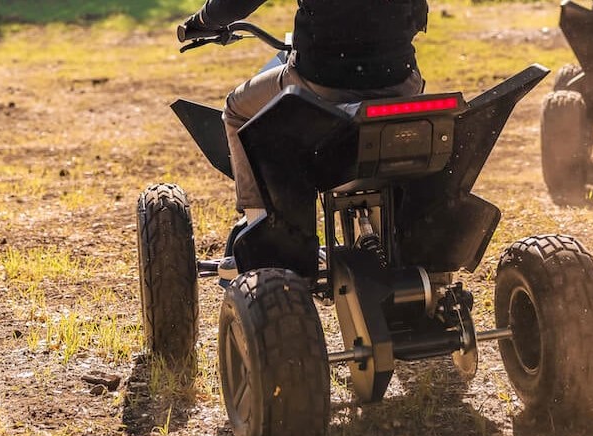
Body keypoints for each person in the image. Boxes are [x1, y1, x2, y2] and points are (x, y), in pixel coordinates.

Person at [180, 0, 429, 279]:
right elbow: (419, 16)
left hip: (322, 81)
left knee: (237, 110)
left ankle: (262, 238)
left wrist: (202, 21)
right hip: (400, 81)